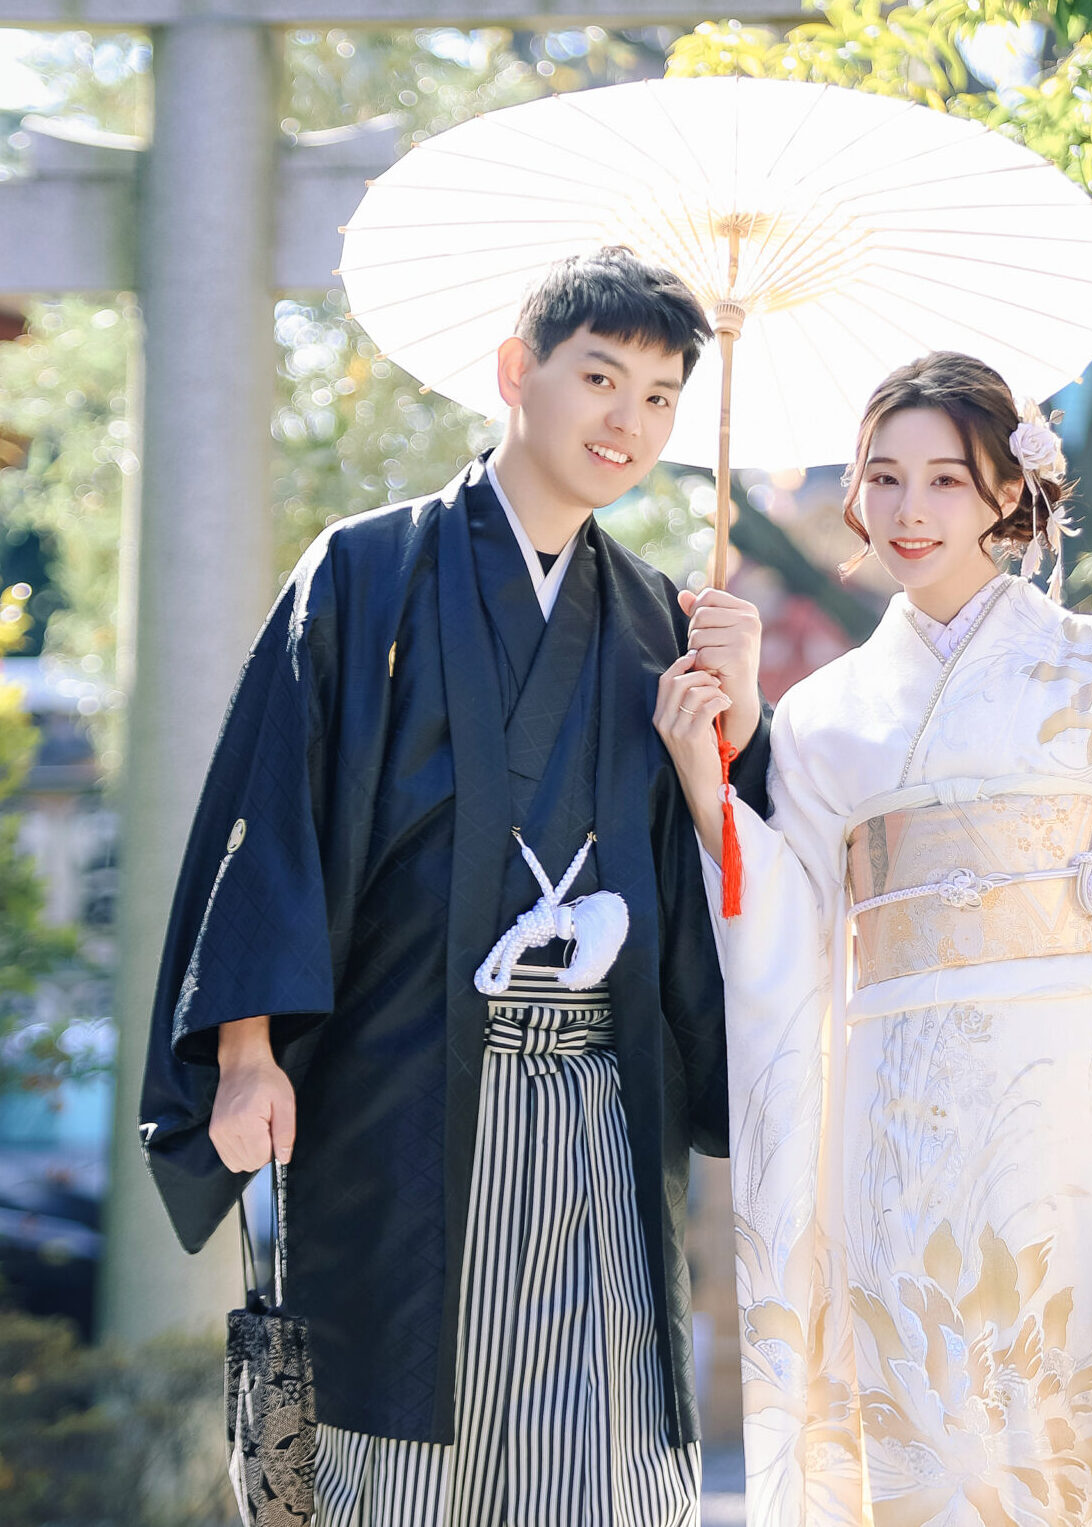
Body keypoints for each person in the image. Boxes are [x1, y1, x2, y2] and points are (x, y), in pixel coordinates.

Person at [138, 247, 769, 1527]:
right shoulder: (366, 572)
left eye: (660, 397)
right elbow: (273, 805)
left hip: (601, 1108)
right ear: (516, 371)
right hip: (407, 1096)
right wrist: (247, 1053)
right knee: (403, 1461)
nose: (629, 421)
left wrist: (733, 733)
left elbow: (724, 887)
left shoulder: (662, 622)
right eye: (601, 378)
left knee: (594, 1462)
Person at [655, 351, 1092, 1525]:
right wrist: (706, 772)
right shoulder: (820, 718)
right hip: (897, 1116)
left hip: (1082, 1097)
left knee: (1077, 1404)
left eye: (945, 480)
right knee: (922, 1407)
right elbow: (788, 928)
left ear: (1007, 494)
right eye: (882, 478)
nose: (909, 509)